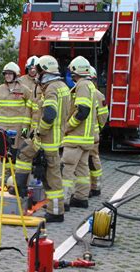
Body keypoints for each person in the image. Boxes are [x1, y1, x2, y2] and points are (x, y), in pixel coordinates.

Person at [15, 55, 71, 222]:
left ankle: (55, 211)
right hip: (56, 139)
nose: (37, 74)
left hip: (48, 140)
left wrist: (39, 131)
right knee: (26, 156)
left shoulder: (52, 88)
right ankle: (22, 189)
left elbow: (50, 114)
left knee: (52, 177)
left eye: (39, 70)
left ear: (44, 71)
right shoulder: (62, 86)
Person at [61, 56, 97, 210]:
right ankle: (81, 199)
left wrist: (68, 127)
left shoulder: (82, 86)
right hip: (86, 138)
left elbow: (82, 111)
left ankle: (62, 202)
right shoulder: (90, 86)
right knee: (82, 170)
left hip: (75, 138)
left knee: (66, 170)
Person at [0, 62, 36, 175]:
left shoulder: (24, 89)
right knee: (4, 152)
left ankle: (16, 176)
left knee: (16, 151)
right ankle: (7, 175)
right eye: (5, 74)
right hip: (3, 126)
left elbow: (30, 105)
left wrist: (27, 126)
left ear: (16, 75)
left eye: (10, 74)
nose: (7, 76)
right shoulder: (0, 89)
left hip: (18, 127)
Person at [89, 66, 109, 197]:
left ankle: (88, 188)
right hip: (94, 134)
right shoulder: (98, 95)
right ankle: (96, 187)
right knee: (93, 159)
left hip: (83, 135)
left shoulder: (78, 93)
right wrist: (99, 128)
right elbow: (103, 117)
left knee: (84, 162)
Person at [19, 55, 42, 130]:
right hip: (22, 116)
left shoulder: (43, 81)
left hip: (37, 115)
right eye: (30, 68)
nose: (32, 71)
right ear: (26, 69)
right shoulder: (21, 81)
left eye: (34, 69)